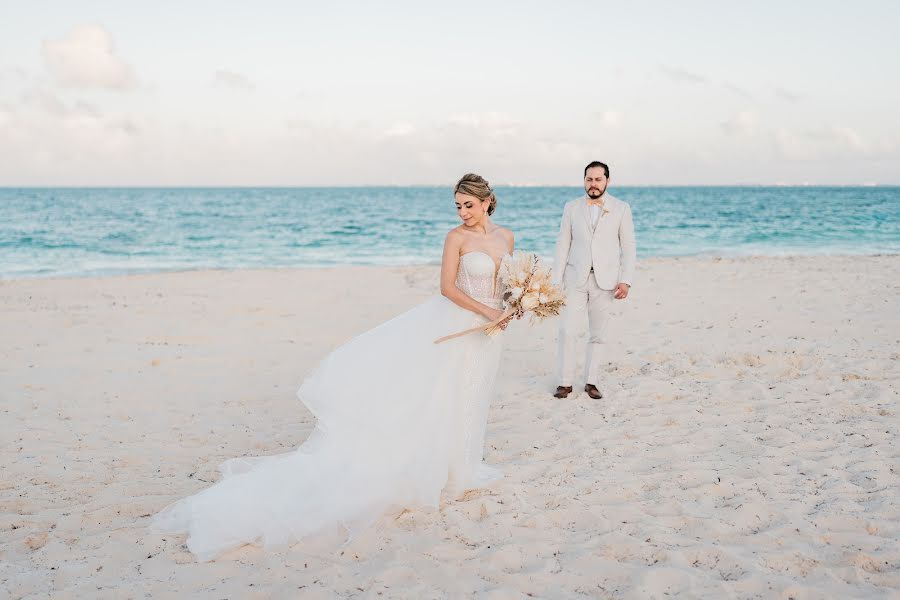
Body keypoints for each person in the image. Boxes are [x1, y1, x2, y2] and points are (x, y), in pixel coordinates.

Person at [152, 174, 515, 561]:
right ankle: (437, 470)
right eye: (457, 205)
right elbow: (448, 288)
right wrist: (486, 310)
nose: (462, 212)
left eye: (468, 205)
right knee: (444, 395)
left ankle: (463, 466)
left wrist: (512, 303)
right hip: (458, 323)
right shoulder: (455, 238)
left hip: (489, 332)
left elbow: (506, 280)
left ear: (487, 200)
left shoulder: (505, 237)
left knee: (473, 395)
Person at [552, 161, 636, 399]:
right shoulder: (571, 207)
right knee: (568, 330)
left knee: (598, 334)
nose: (593, 184)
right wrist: (555, 280)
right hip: (574, 278)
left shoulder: (621, 208)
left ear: (607, 181)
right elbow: (562, 245)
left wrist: (626, 280)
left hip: (606, 281)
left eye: (598, 179)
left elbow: (628, 247)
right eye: (589, 179)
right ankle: (565, 383)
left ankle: (591, 382)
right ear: (584, 181)